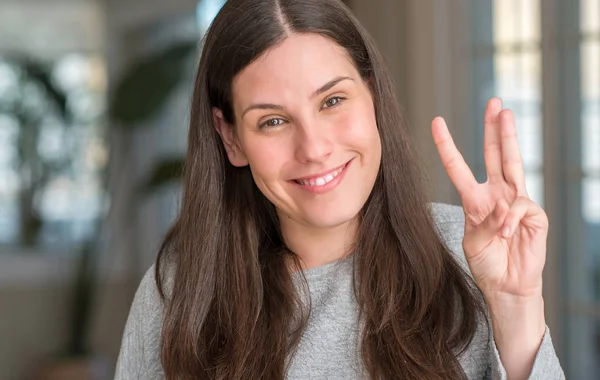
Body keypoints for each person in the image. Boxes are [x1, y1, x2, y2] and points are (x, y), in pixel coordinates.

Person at [115, 0, 565, 379]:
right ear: (230, 137)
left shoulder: (470, 253)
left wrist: (514, 306)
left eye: (332, 101)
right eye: (272, 121)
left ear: (371, 95)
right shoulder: (178, 292)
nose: (314, 148)